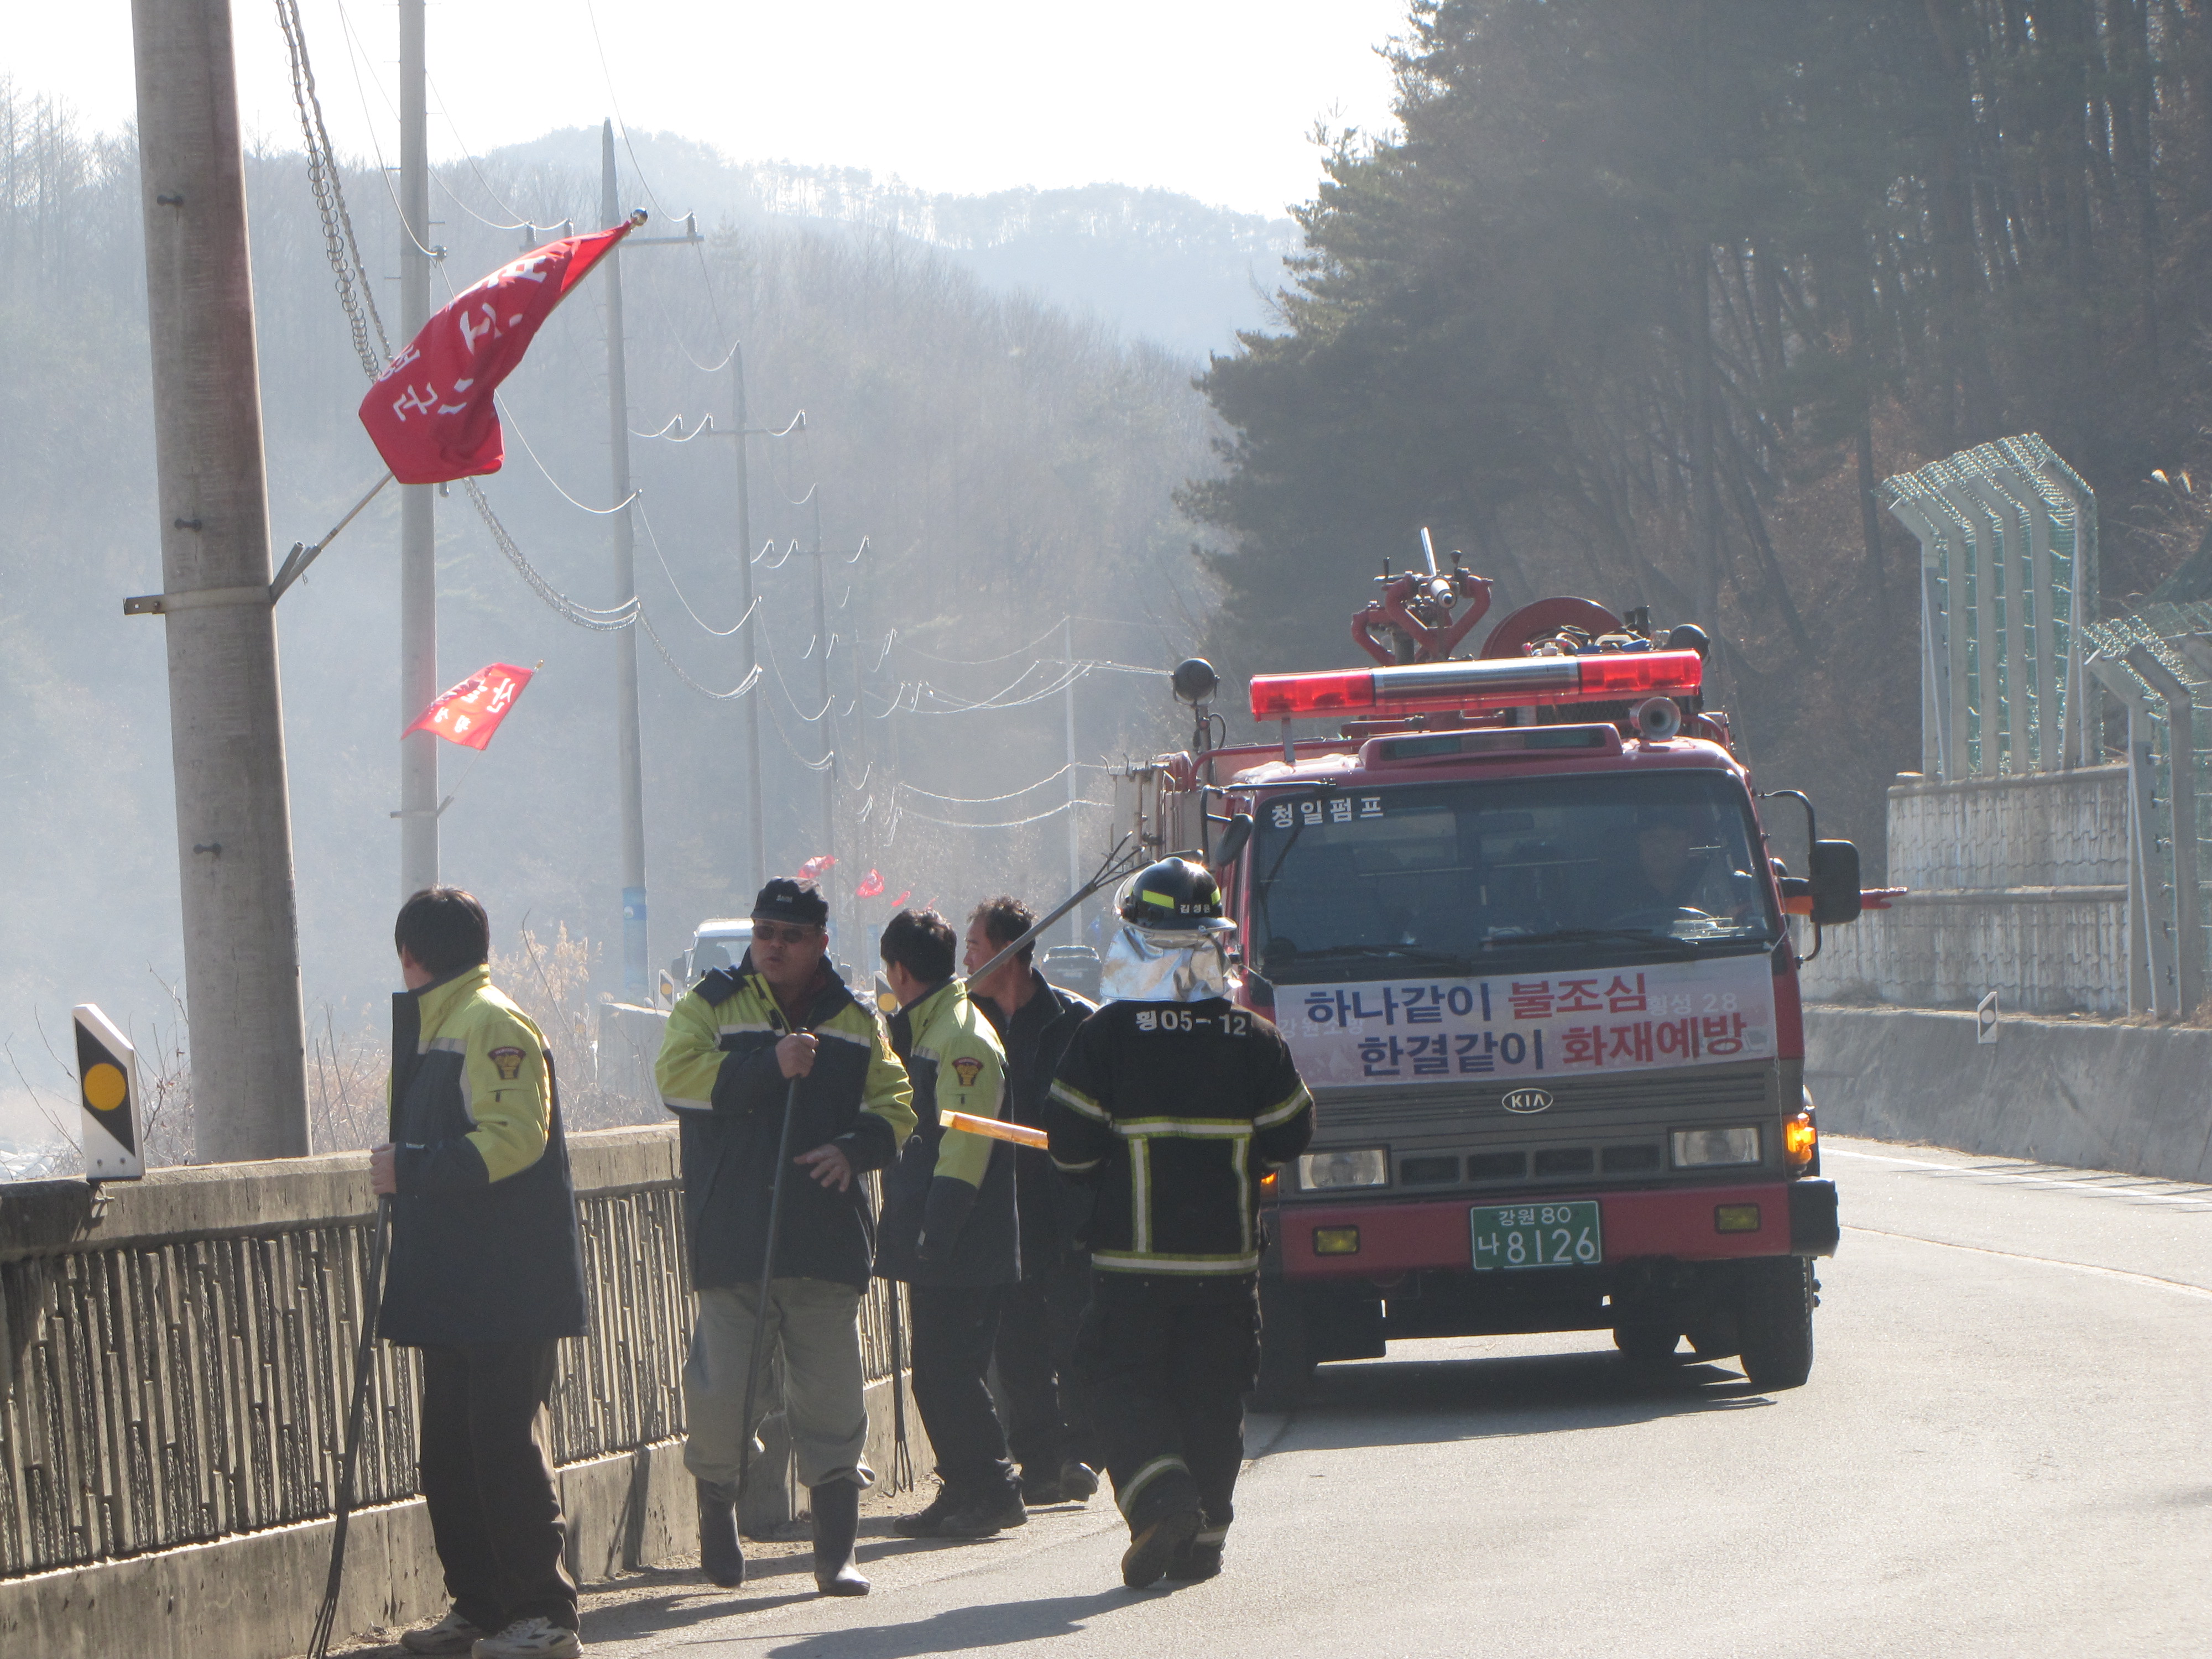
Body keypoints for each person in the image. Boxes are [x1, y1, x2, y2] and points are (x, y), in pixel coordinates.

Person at [1046, 858, 1313, 1589]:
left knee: (1118, 1380)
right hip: (1226, 1267)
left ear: (1137, 940)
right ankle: (1205, 1540)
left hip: (1133, 1265)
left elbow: (1069, 1148)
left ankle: (1163, 1501)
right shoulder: (1251, 1039)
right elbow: (1292, 1132)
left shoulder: (1106, 1037)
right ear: (1214, 943)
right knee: (1212, 1395)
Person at [655, 878, 916, 1597]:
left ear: (820, 943)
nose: (773, 947)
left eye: (791, 936)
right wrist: (769, 1065)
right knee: (723, 1395)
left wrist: (856, 1150)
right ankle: (718, 1511)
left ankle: (836, 1554)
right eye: (764, 932)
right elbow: (676, 1079)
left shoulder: (855, 1021)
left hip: (824, 1240)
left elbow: (898, 1105)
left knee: (832, 1399)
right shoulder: (709, 1005)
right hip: (733, 1235)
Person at [373, 887, 589, 1659]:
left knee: (503, 1450)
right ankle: (482, 1607)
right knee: (450, 1457)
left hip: (506, 1284)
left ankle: (545, 1615)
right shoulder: (442, 1024)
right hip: (454, 1284)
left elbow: (515, 1138)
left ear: (410, 954)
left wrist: (412, 1168)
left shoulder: (492, 1023)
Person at [872, 907, 1025, 1538]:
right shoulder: (931, 1027)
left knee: (953, 1375)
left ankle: (995, 1489)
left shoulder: (961, 1038)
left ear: (899, 972)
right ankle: (962, 1486)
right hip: (941, 1235)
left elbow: (964, 1147)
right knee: (934, 1377)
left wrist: (936, 1231)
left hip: (963, 1237)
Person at [963, 896, 1102, 1506]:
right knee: (1015, 1345)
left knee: (1076, 1334)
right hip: (1000, 1210)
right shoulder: (964, 1026)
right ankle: (1041, 1464)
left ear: (1010, 954)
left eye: (975, 947)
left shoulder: (1077, 1022)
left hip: (1067, 1208)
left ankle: (1083, 1452)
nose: (966, 961)